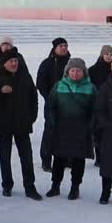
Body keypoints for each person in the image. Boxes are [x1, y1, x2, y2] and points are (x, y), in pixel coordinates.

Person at [0, 49, 42, 201]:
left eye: (16, 61)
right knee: (5, 156)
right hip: (4, 123)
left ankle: (30, 187)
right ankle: (7, 185)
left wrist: (32, 116)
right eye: (11, 61)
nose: (14, 63)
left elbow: (33, 96)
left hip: (23, 122)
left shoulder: (25, 76)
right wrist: (0, 91)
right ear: (4, 63)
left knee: (27, 157)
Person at [45, 58, 97, 201]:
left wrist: (90, 125)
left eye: (78, 71)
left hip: (81, 129)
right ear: (67, 72)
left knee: (78, 160)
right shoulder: (59, 86)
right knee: (59, 159)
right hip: (62, 128)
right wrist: (53, 122)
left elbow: (95, 110)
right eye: (72, 71)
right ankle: (55, 186)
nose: (75, 73)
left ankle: (75, 188)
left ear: (83, 73)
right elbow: (51, 106)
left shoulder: (91, 88)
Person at [36, 37, 71, 172]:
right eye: (61, 46)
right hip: (52, 104)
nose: (63, 48)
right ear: (54, 48)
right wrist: (48, 97)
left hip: (70, 104)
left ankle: (67, 158)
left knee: (68, 132)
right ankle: (46, 160)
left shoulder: (72, 63)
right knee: (50, 131)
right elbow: (40, 83)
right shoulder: (47, 63)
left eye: (65, 45)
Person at [88, 45, 112, 166]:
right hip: (98, 104)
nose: (108, 56)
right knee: (98, 132)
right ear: (101, 54)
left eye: (111, 54)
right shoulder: (93, 70)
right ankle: (99, 157)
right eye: (106, 53)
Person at [95, 62, 112, 204]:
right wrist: (107, 125)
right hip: (111, 132)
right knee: (109, 164)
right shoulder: (105, 87)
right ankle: (105, 192)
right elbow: (100, 111)